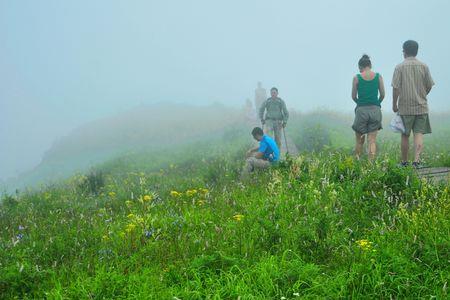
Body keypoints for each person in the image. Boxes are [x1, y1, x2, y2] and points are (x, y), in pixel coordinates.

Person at [392, 40, 434, 167]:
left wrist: (394, 104)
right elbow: (429, 85)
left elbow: (395, 87)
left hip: (405, 107)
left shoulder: (399, 67)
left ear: (404, 51)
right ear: (416, 51)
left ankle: (404, 162)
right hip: (421, 107)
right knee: (418, 134)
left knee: (405, 135)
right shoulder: (424, 66)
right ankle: (416, 161)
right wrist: (422, 95)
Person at [351, 54, 385, 160]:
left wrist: (360, 103)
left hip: (361, 111)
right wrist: (376, 103)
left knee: (360, 140)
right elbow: (383, 94)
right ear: (370, 65)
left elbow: (353, 96)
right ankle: (371, 167)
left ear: (360, 67)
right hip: (375, 110)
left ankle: (357, 162)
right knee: (372, 140)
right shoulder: (378, 76)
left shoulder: (357, 78)